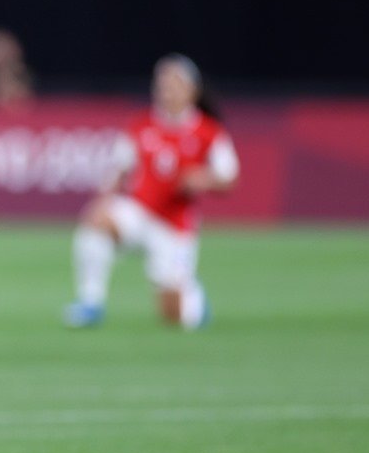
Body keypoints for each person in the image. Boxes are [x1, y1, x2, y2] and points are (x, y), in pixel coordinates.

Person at [66, 54, 239, 329]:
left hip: (174, 226)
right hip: (139, 212)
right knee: (96, 219)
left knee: (175, 316)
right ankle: (90, 302)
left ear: (192, 90)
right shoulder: (141, 125)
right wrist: (106, 195)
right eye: (162, 84)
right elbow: (120, 169)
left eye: (174, 84)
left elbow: (229, 177)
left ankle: (191, 294)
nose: (166, 91)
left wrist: (203, 179)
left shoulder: (208, 132)